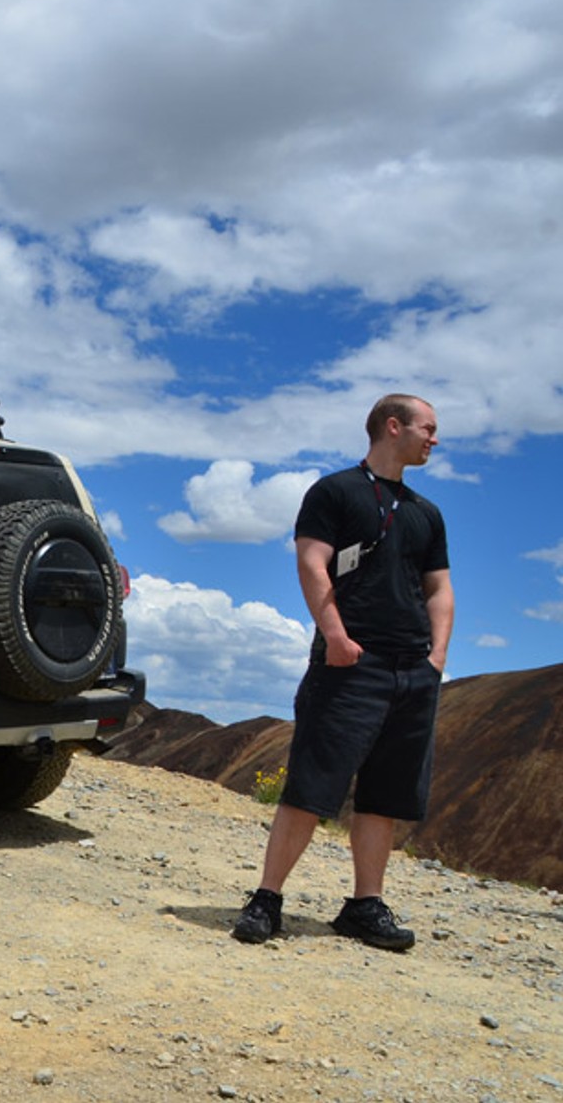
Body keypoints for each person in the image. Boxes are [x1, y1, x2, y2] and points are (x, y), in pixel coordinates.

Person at [233, 393, 452, 952]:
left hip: (412, 671)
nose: (435, 439)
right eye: (428, 428)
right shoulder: (334, 491)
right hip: (349, 662)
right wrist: (335, 636)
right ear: (393, 426)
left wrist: (436, 661)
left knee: (386, 794)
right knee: (312, 784)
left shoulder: (427, 512)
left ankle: (363, 906)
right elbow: (312, 562)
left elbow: (439, 590)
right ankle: (267, 899)